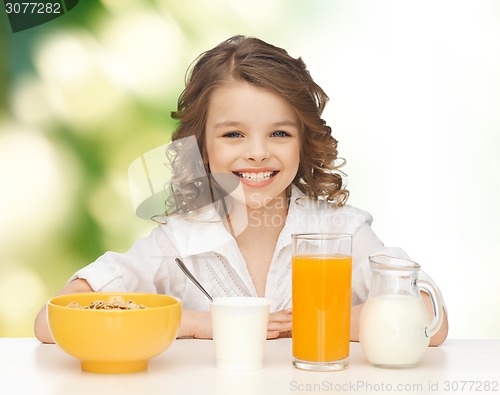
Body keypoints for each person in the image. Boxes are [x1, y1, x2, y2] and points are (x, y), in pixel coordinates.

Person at [34, 35, 448, 344]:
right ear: (201, 147)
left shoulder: (342, 232)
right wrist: (198, 324)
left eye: (279, 133)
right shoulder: (178, 243)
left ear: (303, 141)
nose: (257, 153)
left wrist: (327, 319)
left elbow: (432, 321)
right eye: (233, 134)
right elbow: (52, 321)